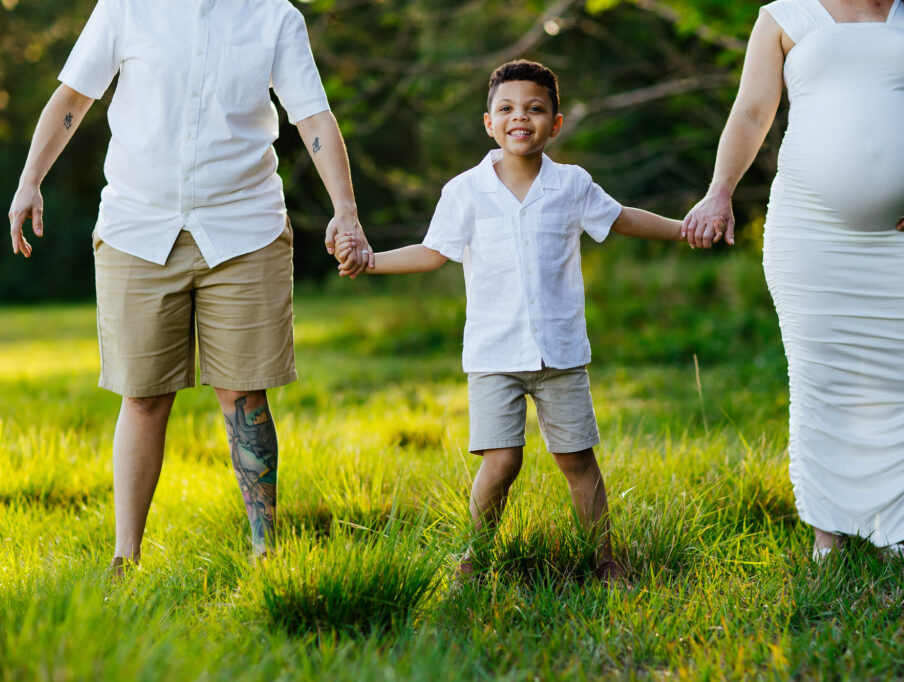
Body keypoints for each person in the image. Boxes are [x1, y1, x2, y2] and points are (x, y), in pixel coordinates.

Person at [7, 0, 372, 573]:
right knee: (144, 394)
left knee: (245, 393)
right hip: (137, 226)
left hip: (244, 227)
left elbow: (313, 118)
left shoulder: (275, 16)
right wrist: (30, 181)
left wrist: (345, 210)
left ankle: (265, 555)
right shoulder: (124, 9)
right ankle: (125, 558)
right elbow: (74, 98)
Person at [335, 59, 702, 582]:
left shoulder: (572, 184)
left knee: (577, 461)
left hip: (560, 351)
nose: (519, 118)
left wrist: (684, 230)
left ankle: (607, 559)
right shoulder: (465, 190)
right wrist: (370, 260)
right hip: (493, 353)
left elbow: (622, 218)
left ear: (556, 122)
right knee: (501, 462)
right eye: (506, 109)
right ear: (489, 123)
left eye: (534, 109)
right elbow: (432, 251)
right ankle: (473, 557)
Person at [682, 0, 904, 560]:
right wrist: (720, 190)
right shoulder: (784, 14)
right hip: (810, 230)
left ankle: (894, 529)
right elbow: (751, 111)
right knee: (822, 379)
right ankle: (829, 534)